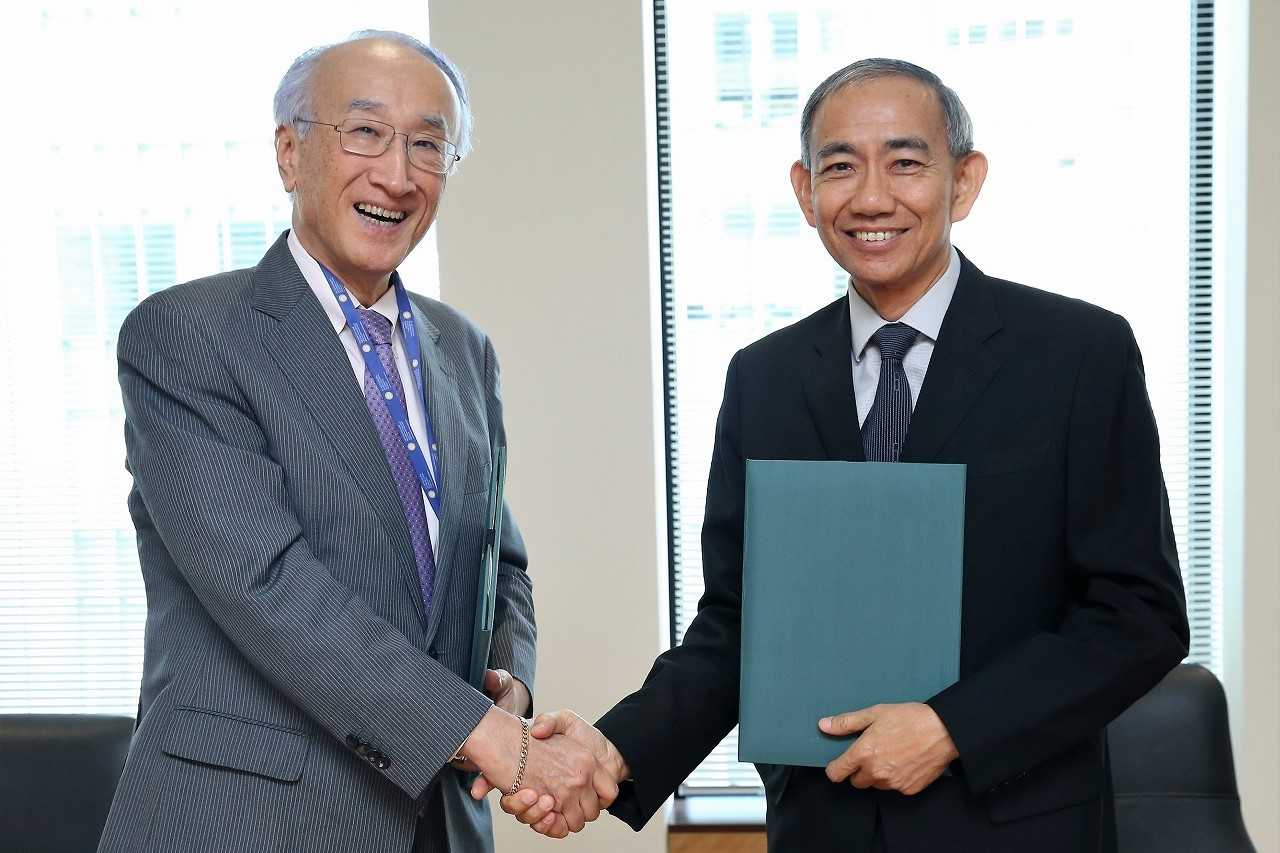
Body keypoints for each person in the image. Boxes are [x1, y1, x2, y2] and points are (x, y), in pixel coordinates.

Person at [489, 58, 1190, 851]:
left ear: (963, 181)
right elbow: (737, 625)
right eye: (841, 166)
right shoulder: (765, 377)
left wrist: (951, 727)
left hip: (1018, 828)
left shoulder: (1077, 355)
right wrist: (616, 749)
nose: (872, 197)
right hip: (824, 830)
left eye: (905, 162)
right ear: (804, 190)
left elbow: (1139, 614)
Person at [99, 31, 614, 853]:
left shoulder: (462, 349)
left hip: (435, 825)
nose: (398, 174)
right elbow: (266, 585)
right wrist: (486, 739)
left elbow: (496, 564)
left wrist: (507, 688)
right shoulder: (187, 336)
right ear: (289, 151)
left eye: (428, 144)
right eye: (366, 132)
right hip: (245, 824)